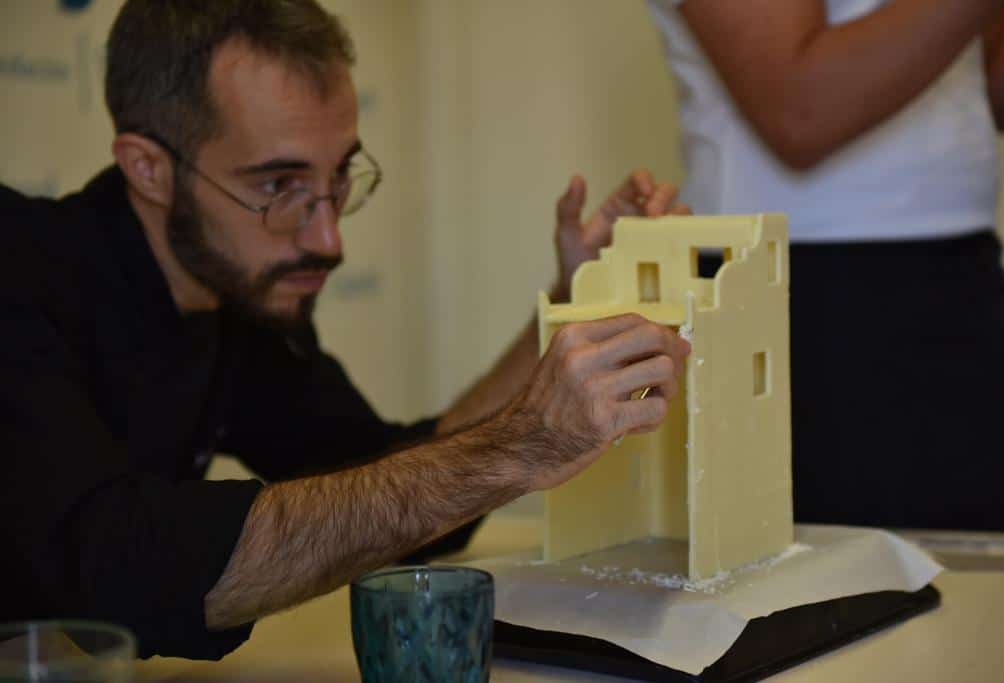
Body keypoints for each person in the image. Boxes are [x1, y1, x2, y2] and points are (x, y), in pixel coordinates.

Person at [0, 0, 692, 660]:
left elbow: (389, 492)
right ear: (148, 168)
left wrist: (567, 302)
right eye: (278, 186)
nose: (329, 237)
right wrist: (519, 447)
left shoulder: (238, 297)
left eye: (338, 180)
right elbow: (119, 569)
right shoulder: (23, 276)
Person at [646, 0, 1004, 530]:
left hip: (960, 278)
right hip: (803, 301)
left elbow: (990, 83)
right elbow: (800, 108)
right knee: (847, 593)